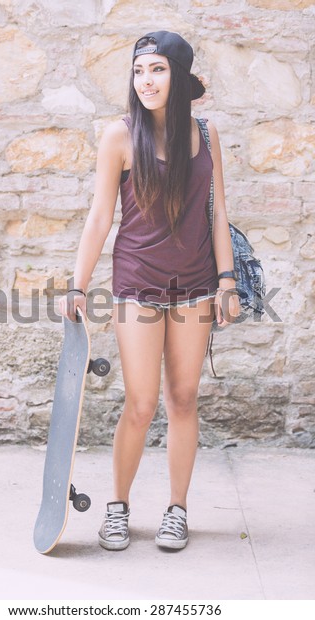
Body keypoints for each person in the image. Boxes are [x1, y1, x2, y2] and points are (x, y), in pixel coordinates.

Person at [59, 30, 240, 551]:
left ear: (180, 78)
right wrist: (78, 283)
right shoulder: (119, 135)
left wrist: (227, 281)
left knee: (183, 399)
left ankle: (177, 510)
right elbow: (100, 217)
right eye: (139, 71)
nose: (146, 80)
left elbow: (220, 212)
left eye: (157, 70)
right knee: (139, 403)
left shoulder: (205, 135)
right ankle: (117, 507)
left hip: (197, 286)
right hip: (137, 282)